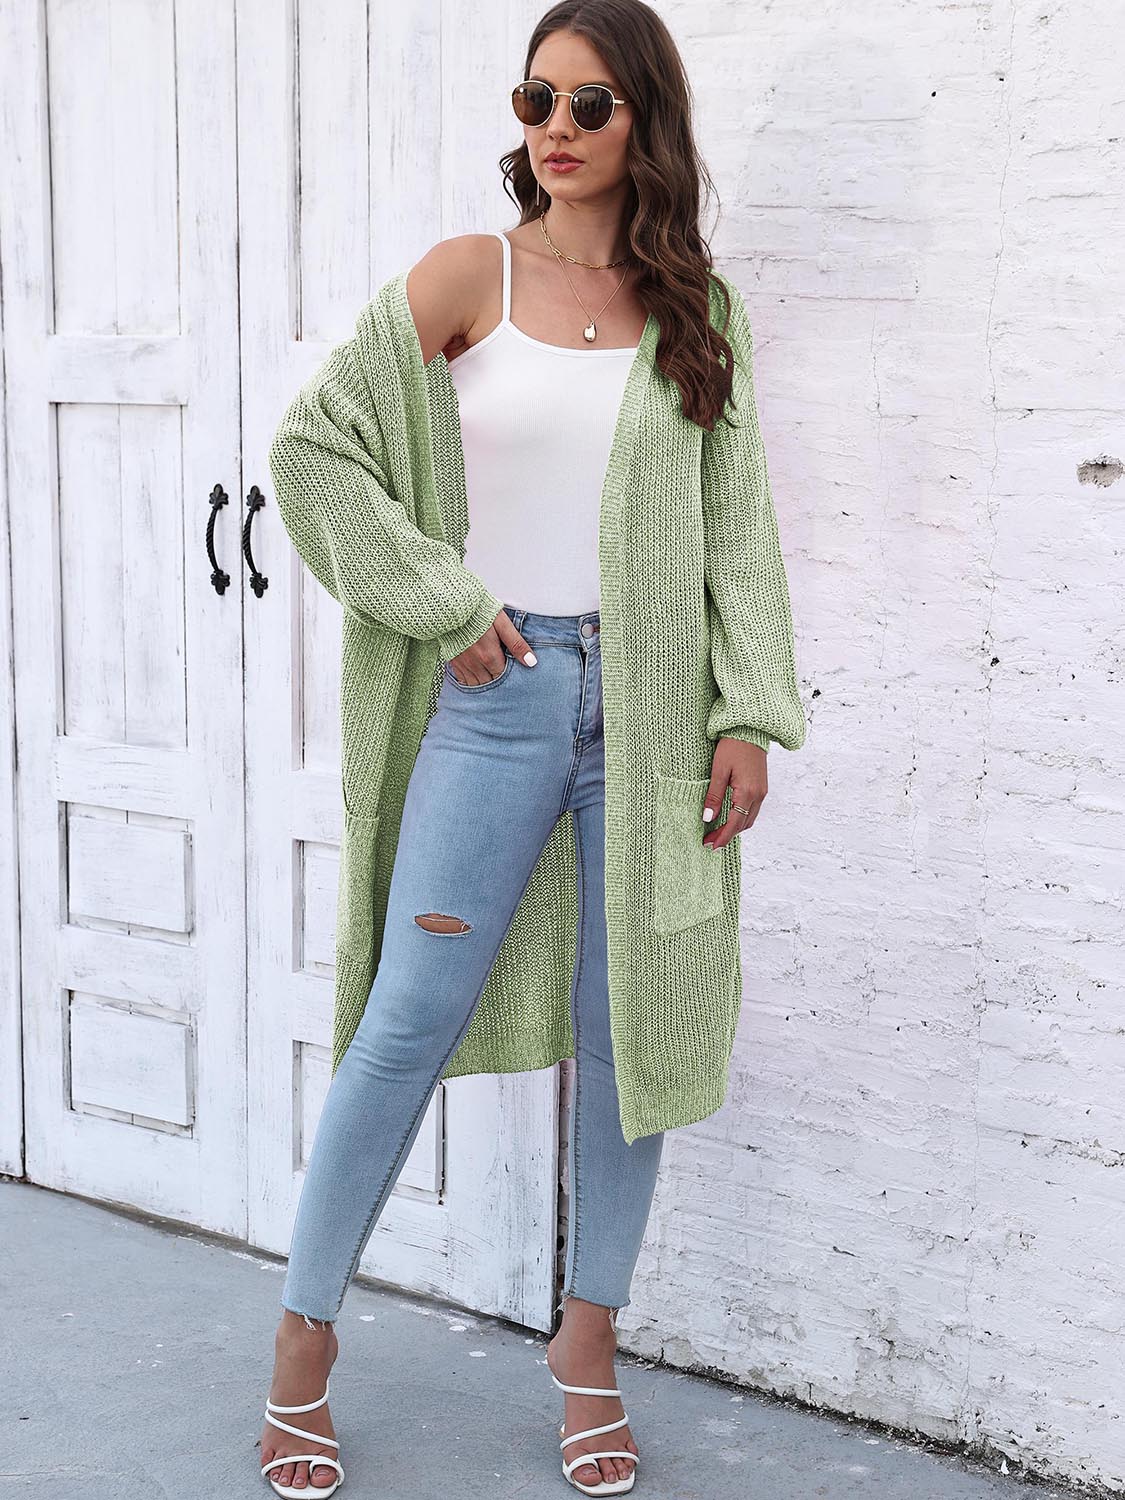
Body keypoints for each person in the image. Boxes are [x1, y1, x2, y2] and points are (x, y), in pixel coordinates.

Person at [259, 3, 807, 1495]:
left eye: (590, 104)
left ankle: (588, 1348)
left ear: (645, 124)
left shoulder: (693, 307)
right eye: (536, 99)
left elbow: (735, 526)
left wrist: (748, 711)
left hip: (655, 716)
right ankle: (303, 1342)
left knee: (632, 1038)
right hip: (496, 701)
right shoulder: (467, 276)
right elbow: (315, 454)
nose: (555, 129)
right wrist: (443, 604)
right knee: (405, 1019)